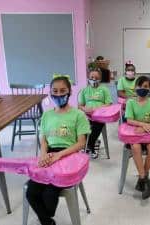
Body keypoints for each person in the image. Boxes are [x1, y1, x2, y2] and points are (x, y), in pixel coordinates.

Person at [26, 75, 90, 225]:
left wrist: (59, 155)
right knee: (31, 192)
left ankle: (46, 218)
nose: (59, 94)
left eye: (63, 90)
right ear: (50, 92)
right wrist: (43, 154)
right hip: (49, 154)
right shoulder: (47, 115)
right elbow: (43, 139)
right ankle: (47, 222)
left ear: (69, 92)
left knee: (49, 196)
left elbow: (81, 143)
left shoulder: (78, 115)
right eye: (55, 90)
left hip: (69, 156)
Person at [125, 76, 150, 199]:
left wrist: (147, 126)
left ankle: (143, 176)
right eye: (139, 86)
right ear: (135, 88)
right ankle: (143, 177)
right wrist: (142, 125)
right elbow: (129, 120)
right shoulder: (130, 102)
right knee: (135, 148)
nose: (142, 89)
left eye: (145, 86)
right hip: (135, 134)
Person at [78, 68, 112, 159]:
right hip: (87, 115)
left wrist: (98, 108)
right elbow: (80, 105)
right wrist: (85, 109)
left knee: (97, 124)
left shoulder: (104, 90)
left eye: (96, 77)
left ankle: (90, 144)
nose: (93, 79)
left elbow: (109, 103)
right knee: (84, 125)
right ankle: (89, 144)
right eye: (91, 77)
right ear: (88, 78)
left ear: (100, 78)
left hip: (100, 115)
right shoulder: (84, 90)